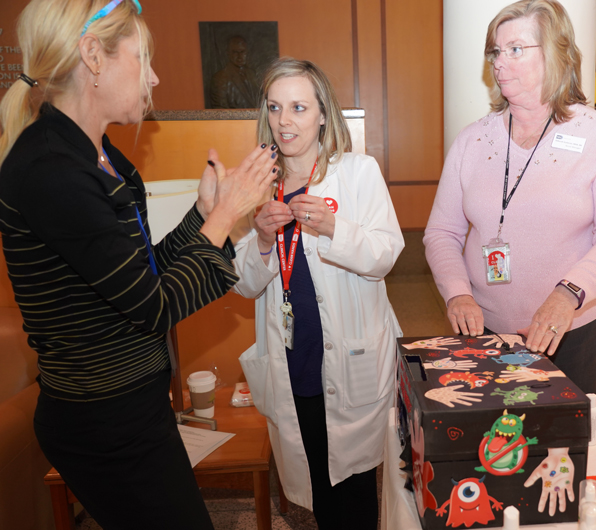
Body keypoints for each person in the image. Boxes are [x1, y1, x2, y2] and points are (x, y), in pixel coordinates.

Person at [0, 1, 277, 528]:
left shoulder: (99, 156)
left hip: (132, 406)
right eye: (142, 57)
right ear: (93, 56)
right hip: (100, 420)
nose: (153, 75)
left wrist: (202, 216)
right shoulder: (50, 170)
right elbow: (154, 307)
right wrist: (225, 215)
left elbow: (140, 276)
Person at [423, 0, 596, 395]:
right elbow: (442, 232)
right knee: (493, 448)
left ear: (557, 54)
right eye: (495, 51)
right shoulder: (472, 139)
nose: (499, 61)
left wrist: (567, 294)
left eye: (515, 49)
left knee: (559, 450)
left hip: (571, 329)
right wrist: (457, 292)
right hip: (483, 330)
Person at [233, 57, 404, 530]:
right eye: (274, 107)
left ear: (324, 114)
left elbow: (386, 254)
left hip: (352, 361)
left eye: (299, 107)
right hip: (293, 360)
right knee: (318, 488)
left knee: (354, 492)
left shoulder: (357, 173)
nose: (285, 121)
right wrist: (264, 242)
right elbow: (243, 282)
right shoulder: (258, 185)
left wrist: (334, 229)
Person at [210, 35, 262, 109]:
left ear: (247, 52)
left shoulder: (252, 74)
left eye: (242, 52)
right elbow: (221, 111)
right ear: (228, 53)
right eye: (235, 52)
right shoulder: (219, 78)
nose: (239, 56)